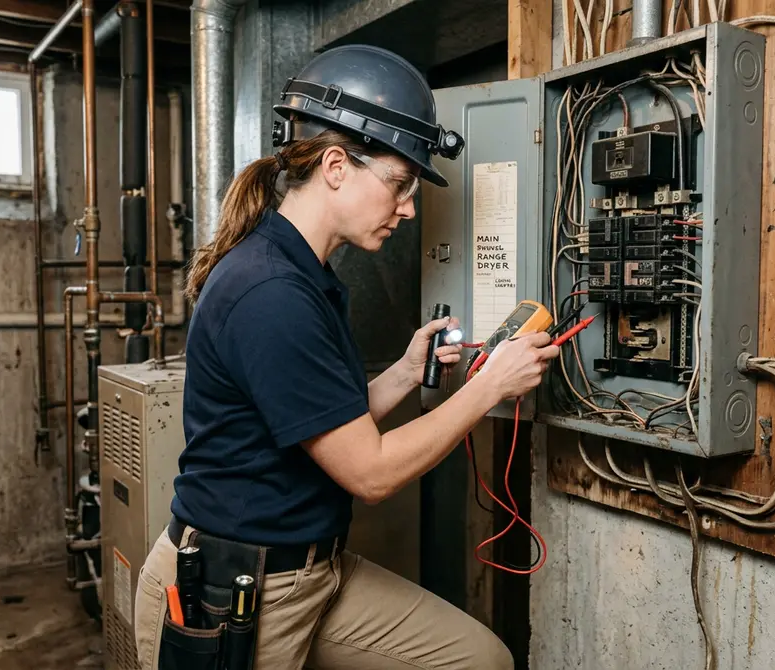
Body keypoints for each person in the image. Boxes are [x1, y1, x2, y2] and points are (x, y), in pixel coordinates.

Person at [133, 43, 559, 670]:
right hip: (237, 589)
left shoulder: (304, 272)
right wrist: (489, 386)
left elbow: (319, 423)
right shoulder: (273, 292)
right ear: (336, 166)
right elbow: (370, 473)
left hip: (314, 566)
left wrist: (408, 372)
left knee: (477, 660)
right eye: (398, 184)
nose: (409, 208)